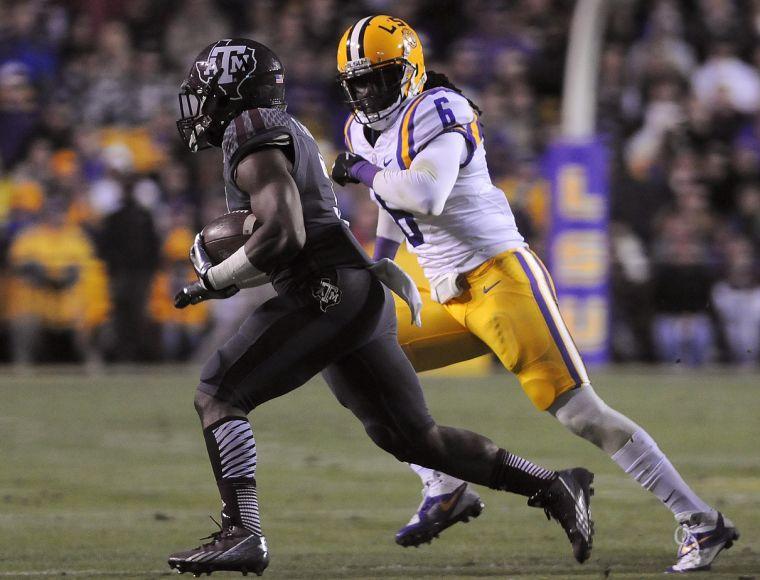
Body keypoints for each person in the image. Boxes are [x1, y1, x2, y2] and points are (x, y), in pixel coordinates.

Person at [166, 38, 595, 577]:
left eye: (206, 90)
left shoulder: (248, 129)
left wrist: (214, 279)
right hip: (355, 292)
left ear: (230, 88)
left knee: (219, 392)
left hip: (325, 291)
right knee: (414, 438)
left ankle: (242, 531)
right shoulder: (277, 128)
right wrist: (235, 262)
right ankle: (553, 485)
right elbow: (282, 232)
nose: (198, 103)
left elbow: (283, 233)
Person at [331, 15, 738, 574]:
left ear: (411, 70)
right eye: (361, 81)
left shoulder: (440, 109)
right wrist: (376, 263)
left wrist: (358, 169)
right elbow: (387, 198)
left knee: (582, 415)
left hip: (500, 278)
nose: (371, 92)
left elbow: (424, 194)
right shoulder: (362, 129)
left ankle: (701, 521)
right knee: (350, 349)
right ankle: (441, 481)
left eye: (381, 77)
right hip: (441, 286)